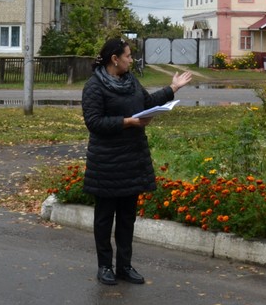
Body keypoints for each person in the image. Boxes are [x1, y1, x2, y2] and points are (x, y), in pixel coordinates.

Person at [81, 38, 193, 285]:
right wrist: (126, 122)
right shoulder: (94, 86)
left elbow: (147, 103)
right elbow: (94, 122)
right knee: (104, 217)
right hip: (107, 162)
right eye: (128, 56)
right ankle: (104, 267)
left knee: (127, 217)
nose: (132, 60)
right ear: (115, 59)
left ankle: (124, 266)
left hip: (132, 159)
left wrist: (173, 89)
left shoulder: (131, 81)